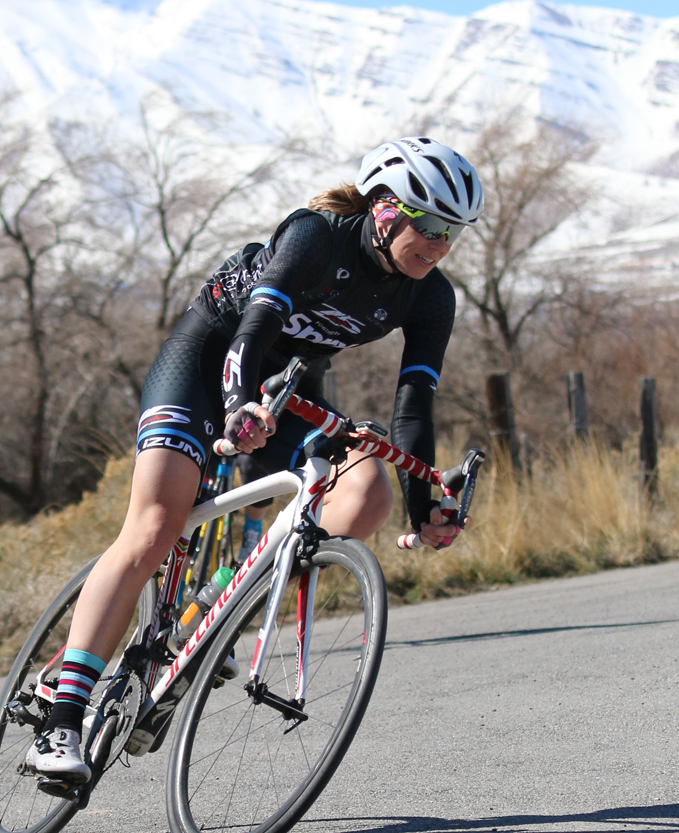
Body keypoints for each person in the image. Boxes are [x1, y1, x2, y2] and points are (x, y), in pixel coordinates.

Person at [28, 136, 485, 784]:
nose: (439, 245)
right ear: (384, 207)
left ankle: (222, 611)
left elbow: (413, 410)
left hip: (291, 388)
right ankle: (61, 720)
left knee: (369, 495)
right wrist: (239, 404)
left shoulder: (431, 295)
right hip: (211, 360)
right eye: (430, 224)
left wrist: (426, 505)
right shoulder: (316, 237)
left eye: (454, 233)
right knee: (157, 526)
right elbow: (252, 330)